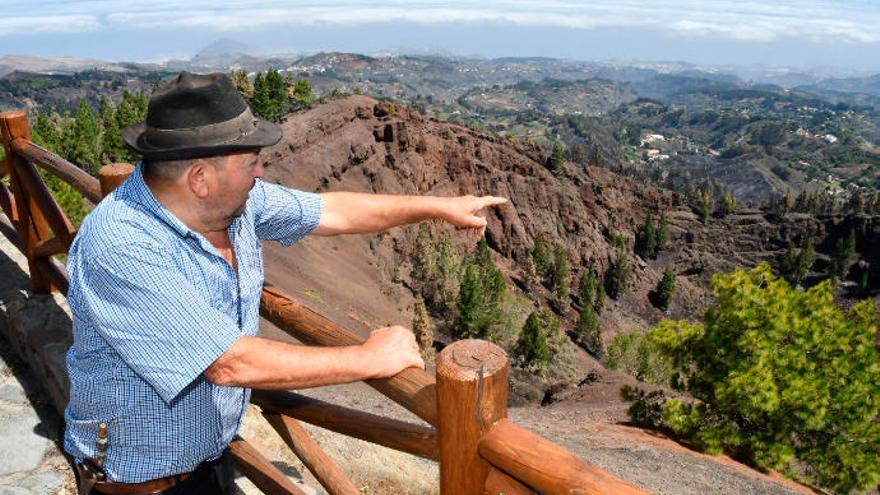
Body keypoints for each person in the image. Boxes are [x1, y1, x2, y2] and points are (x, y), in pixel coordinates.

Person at [64, 71, 507, 494]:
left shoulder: (231, 203)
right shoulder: (121, 244)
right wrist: (370, 358)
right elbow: (230, 364)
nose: (261, 173)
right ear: (200, 178)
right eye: (252, 162)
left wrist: (439, 206)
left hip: (209, 460)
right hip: (142, 484)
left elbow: (332, 211)